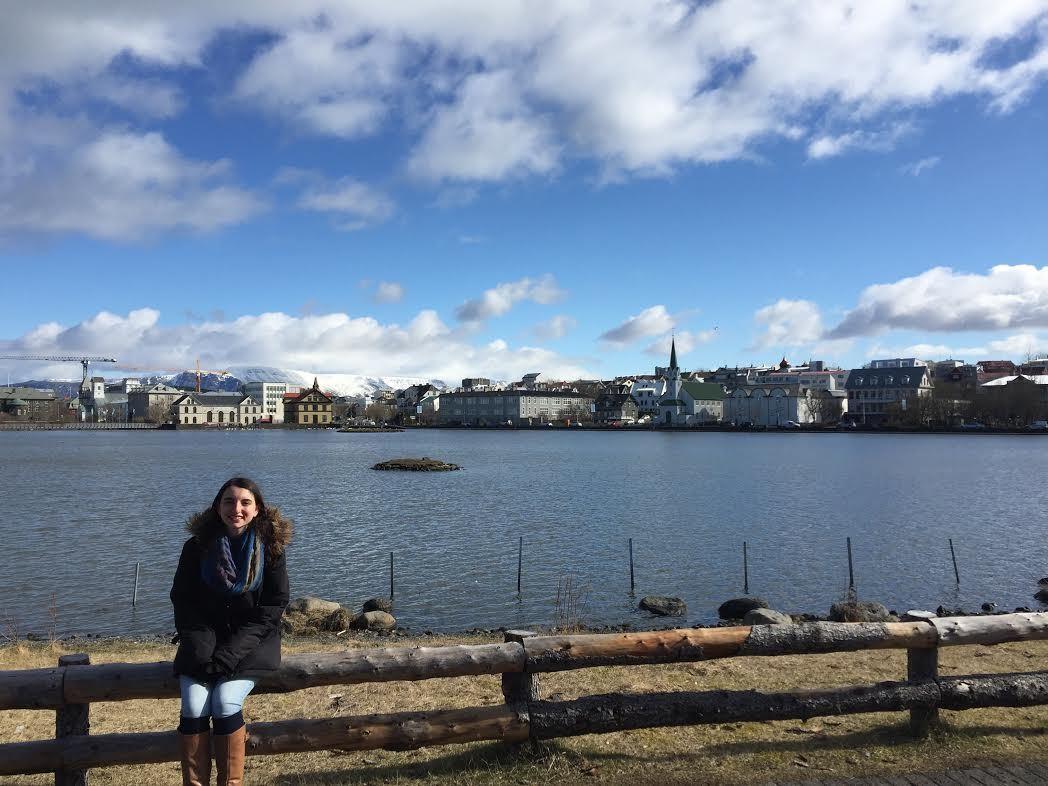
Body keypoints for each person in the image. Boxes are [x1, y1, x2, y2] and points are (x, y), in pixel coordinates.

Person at [171, 477, 292, 786]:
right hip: (201, 641)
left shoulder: (271, 550)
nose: (236, 509)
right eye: (228, 501)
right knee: (194, 705)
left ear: (257, 509)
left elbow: (271, 610)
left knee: (225, 701)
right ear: (217, 506)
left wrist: (227, 656)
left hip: (253, 643)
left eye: (244, 502)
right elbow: (183, 600)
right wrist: (200, 649)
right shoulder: (197, 547)